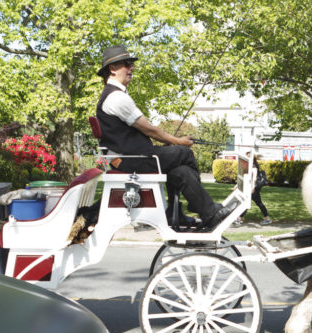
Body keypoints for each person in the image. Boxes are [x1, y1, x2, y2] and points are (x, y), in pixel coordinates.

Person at [95, 45, 232, 229]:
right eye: (126, 64)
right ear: (112, 69)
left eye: (131, 64)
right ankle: (204, 209)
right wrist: (178, 141)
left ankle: (177, 213)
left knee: (181, 173)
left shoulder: (115, 95)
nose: (131, 68)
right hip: (133, 160)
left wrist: (173, 142)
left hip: (131, 157)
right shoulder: (116, 98)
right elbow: (150, 130)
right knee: (185, 153)